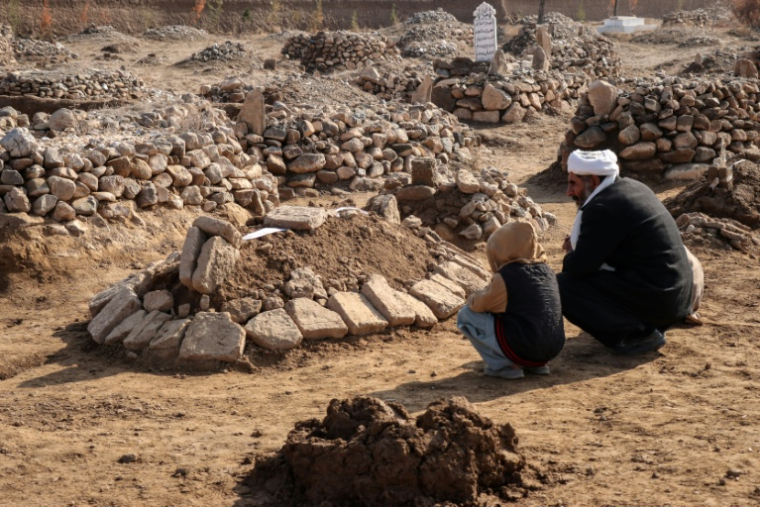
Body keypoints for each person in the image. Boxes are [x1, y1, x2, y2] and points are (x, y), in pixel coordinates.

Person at [557, 149, 694, 355]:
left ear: (593, 182)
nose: (569, 192)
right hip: (679, 299)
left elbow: (578, 268)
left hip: (661, 300)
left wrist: (570, 252)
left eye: (573, 183)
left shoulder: (603, 207)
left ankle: (639, 334)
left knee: (562, 286)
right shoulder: (632, 187)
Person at [457, 221, 565, 379]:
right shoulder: (547, 271)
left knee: (466, 315)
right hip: (553, 348)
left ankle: (505, 366)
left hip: (524, 348)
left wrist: (474, 295)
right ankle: (538, 365)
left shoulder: (507, 276)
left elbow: (478, 305)